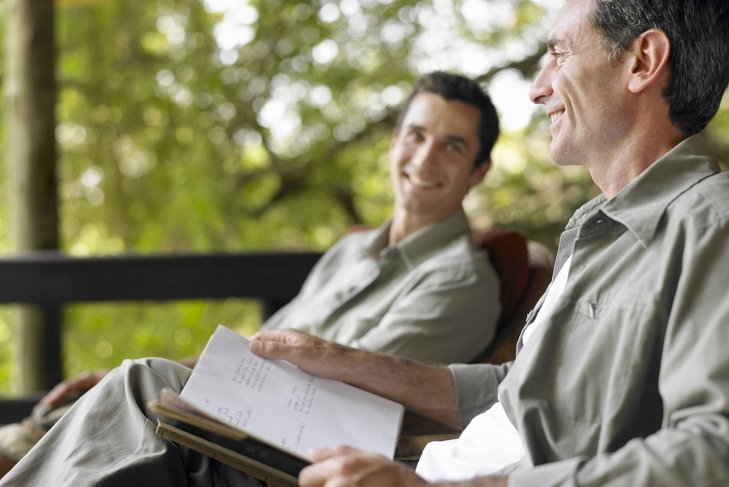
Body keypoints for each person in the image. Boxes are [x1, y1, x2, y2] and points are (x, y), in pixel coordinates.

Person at [0, 71, 505, 484]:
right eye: (415, 135)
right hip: (235, 411)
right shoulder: (353, 249)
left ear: (478, 172)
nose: (424, 157)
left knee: (140, 380)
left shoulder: (461, 282)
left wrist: (177, 380)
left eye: (452, 146)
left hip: (288, 447)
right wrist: (179, 368)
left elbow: (356, 396)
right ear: (395, 142)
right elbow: (257, 348)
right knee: (96, 397)